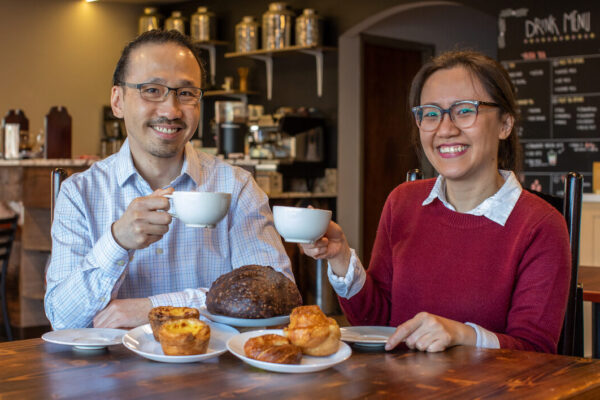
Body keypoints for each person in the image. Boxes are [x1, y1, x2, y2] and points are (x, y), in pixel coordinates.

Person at [301, 50, 570, 354]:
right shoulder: (402, 202)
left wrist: (462, 334)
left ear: (505, 124)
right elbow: (377, 322)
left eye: (465, 111)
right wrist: (340, 258)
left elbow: (536, 353)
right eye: (430, 113)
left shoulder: (541, 225)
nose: (445, 129)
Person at [44, 30, 292, 330]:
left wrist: (153, 308)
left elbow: (276, 296)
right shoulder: (79, 193)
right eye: (152, 90)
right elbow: (62, 319)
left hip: (214, 371)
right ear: (118, 101)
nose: (171, 110)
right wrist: (117, 241)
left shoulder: (237, 188)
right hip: (113, 373)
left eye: (186, 93)